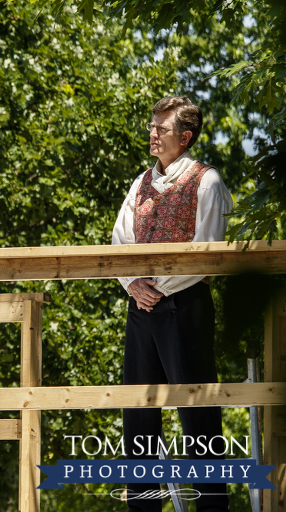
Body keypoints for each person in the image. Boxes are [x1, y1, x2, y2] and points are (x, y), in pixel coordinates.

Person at [112, 96, 233, 512]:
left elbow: (208, 251)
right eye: (151, 126)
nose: (152, 133)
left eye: (161, 129)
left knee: (198, 417)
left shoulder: (208, 180)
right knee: (138, 417)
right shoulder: (140, 181)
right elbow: (119, 239)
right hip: (141, 308)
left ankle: (213, 508)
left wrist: (157, 285)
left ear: (184, 137)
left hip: (186, 307)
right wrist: (134, 285)